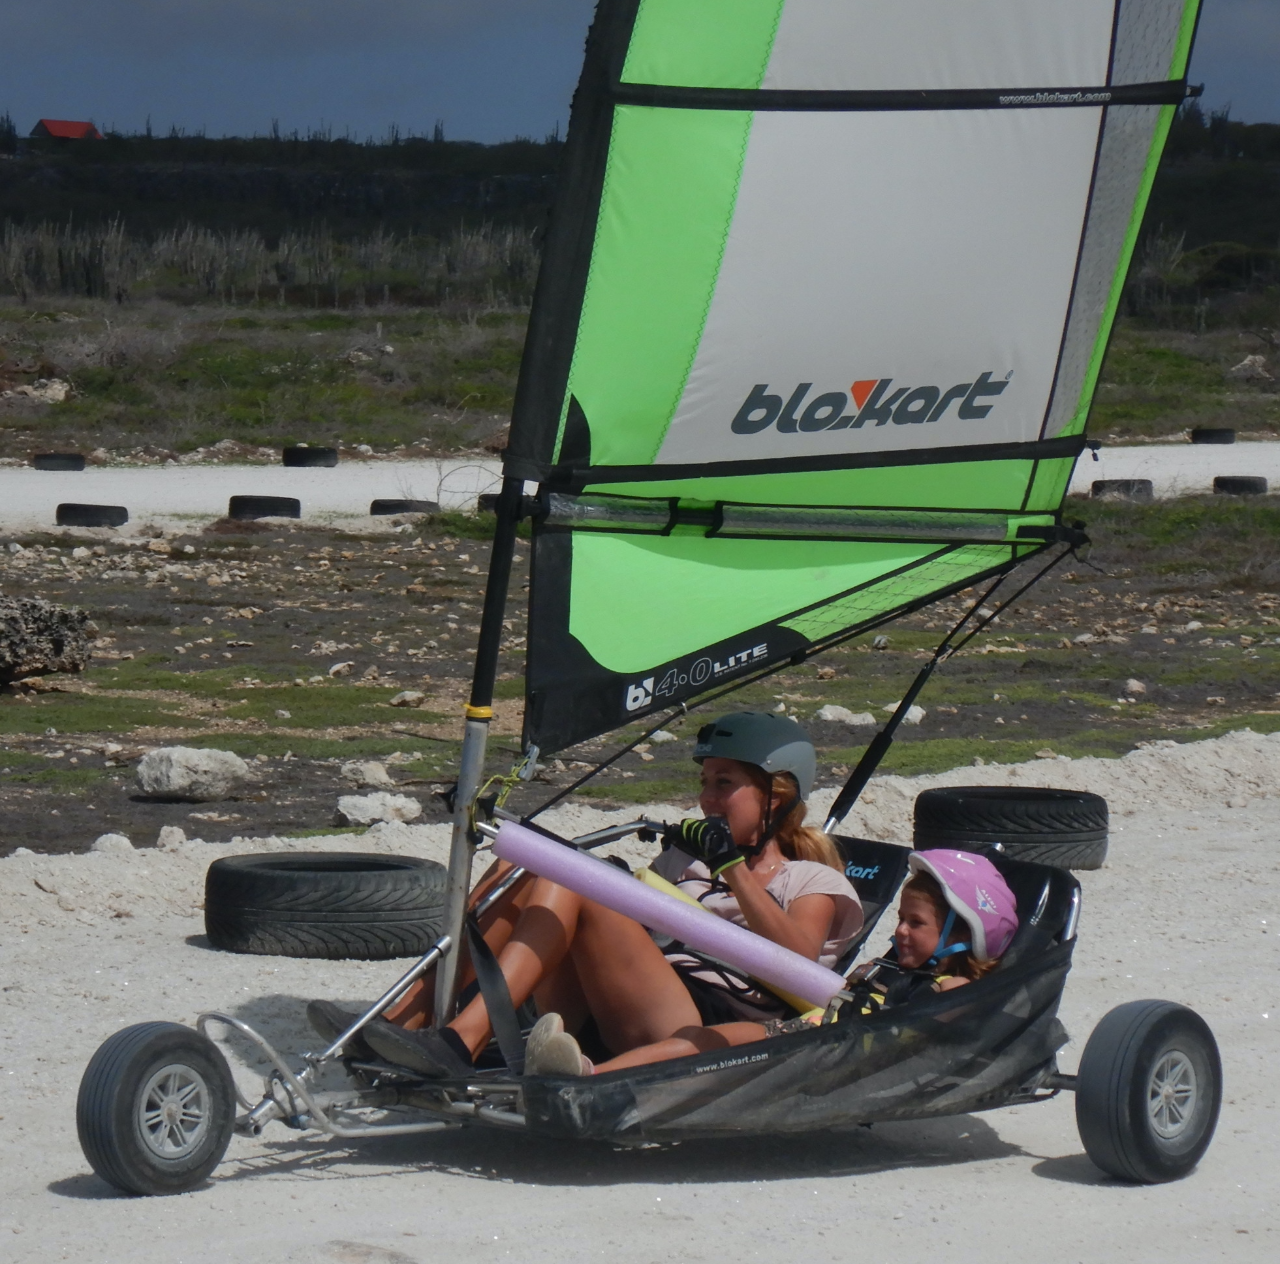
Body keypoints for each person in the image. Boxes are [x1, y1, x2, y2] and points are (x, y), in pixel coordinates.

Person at [307, 712, 863, 1077]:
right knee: (524, 865)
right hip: (623, 1000)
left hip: (702, 1023)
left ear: (776, 796)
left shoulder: (813, 882)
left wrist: (735, 871)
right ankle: (405, 1023)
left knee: (573, 875)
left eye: (725, 784)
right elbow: (627, 934)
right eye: (703, 782)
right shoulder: (684, 861)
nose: (706, 799)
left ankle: (458, 1043)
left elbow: (799, 960)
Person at [544, 847, 1019, 1076]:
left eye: (916, 924)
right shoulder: (892, 969)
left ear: (961, 935)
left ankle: (589, 1079)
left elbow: (960, 1019)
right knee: (696, 1039)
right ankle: (588, 1072)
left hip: (836, 1054)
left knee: (705, 1046)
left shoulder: (954, 990)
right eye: (901, 919)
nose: (900, 931)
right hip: (811, 1031)